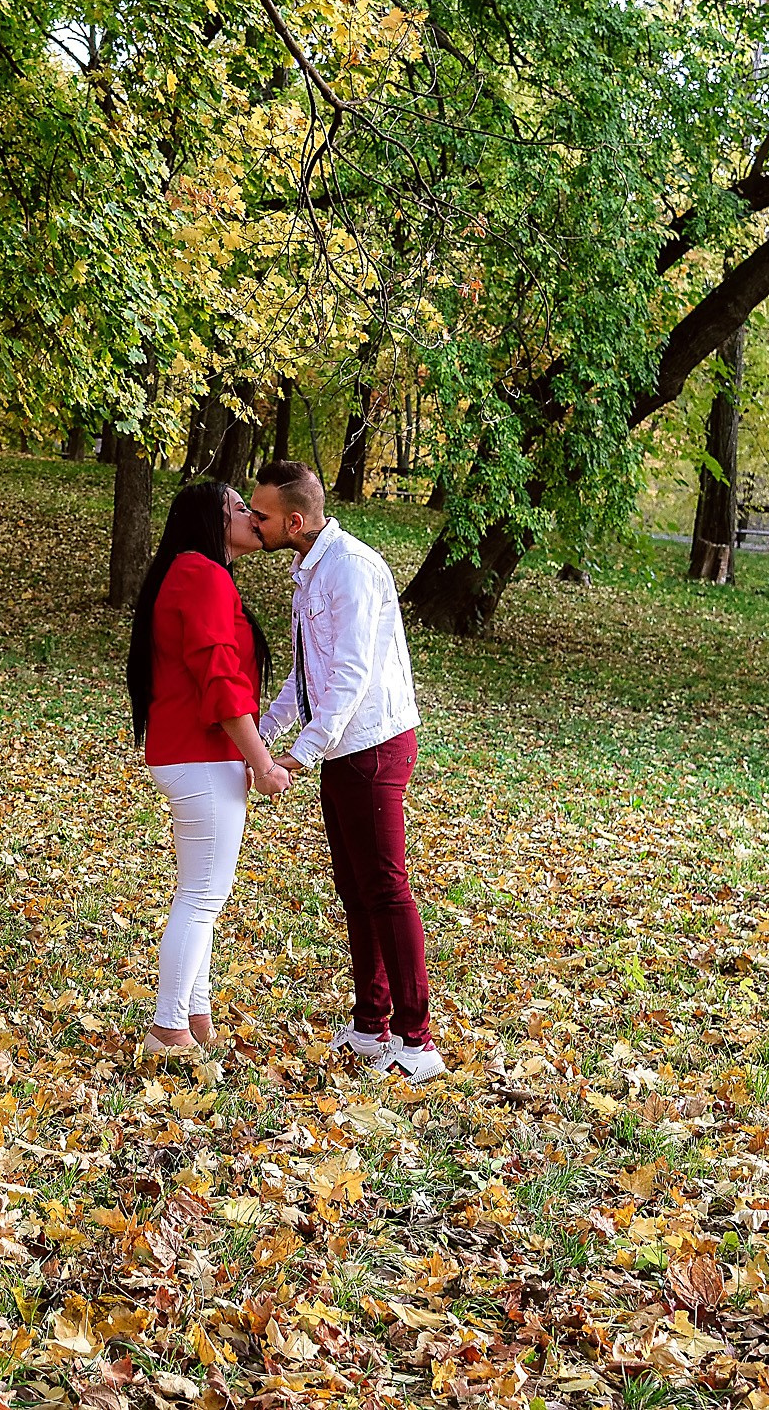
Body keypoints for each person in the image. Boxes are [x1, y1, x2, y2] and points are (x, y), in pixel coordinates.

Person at [249, 460, 445, 1083]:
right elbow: (307, 674)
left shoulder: (351, 570)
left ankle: (418, 1041)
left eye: (263, 516)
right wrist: (265, 730)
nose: (255, 523)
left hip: (375, 745)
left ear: (297, 520)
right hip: (342, 747)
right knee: (354, 890)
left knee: (386, 888)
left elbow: (352, 676)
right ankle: (371, 1026)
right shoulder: (309, 572)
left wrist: (303, 751)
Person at [126, 481, 292, 1063]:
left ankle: (196, 1016)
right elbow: (221, 682)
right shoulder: (200, 574)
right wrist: (262, 762)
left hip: (195, 756)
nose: (251, 515)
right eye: (239, 508)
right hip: (200, 755)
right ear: (212, 520)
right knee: (202, 896)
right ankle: (168, 1028)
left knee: (203, 894)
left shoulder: (197, 573)